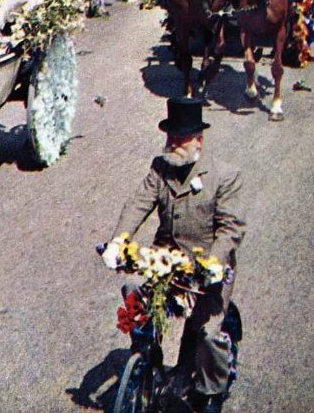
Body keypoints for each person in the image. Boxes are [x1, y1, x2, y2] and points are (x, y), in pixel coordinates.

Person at [102, 97, 245, 413]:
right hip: (165, 261)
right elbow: (137, 204)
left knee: (208, 334)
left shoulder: (224, 176)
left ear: (199, 139)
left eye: (181, 138)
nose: (173, 144)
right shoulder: (160, 168)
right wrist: (118, 241)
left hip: (207, 267)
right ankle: (146, 353)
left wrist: (216, 263)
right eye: (170, 137)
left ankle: (210, 391)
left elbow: (231, 227)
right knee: (132, 286)